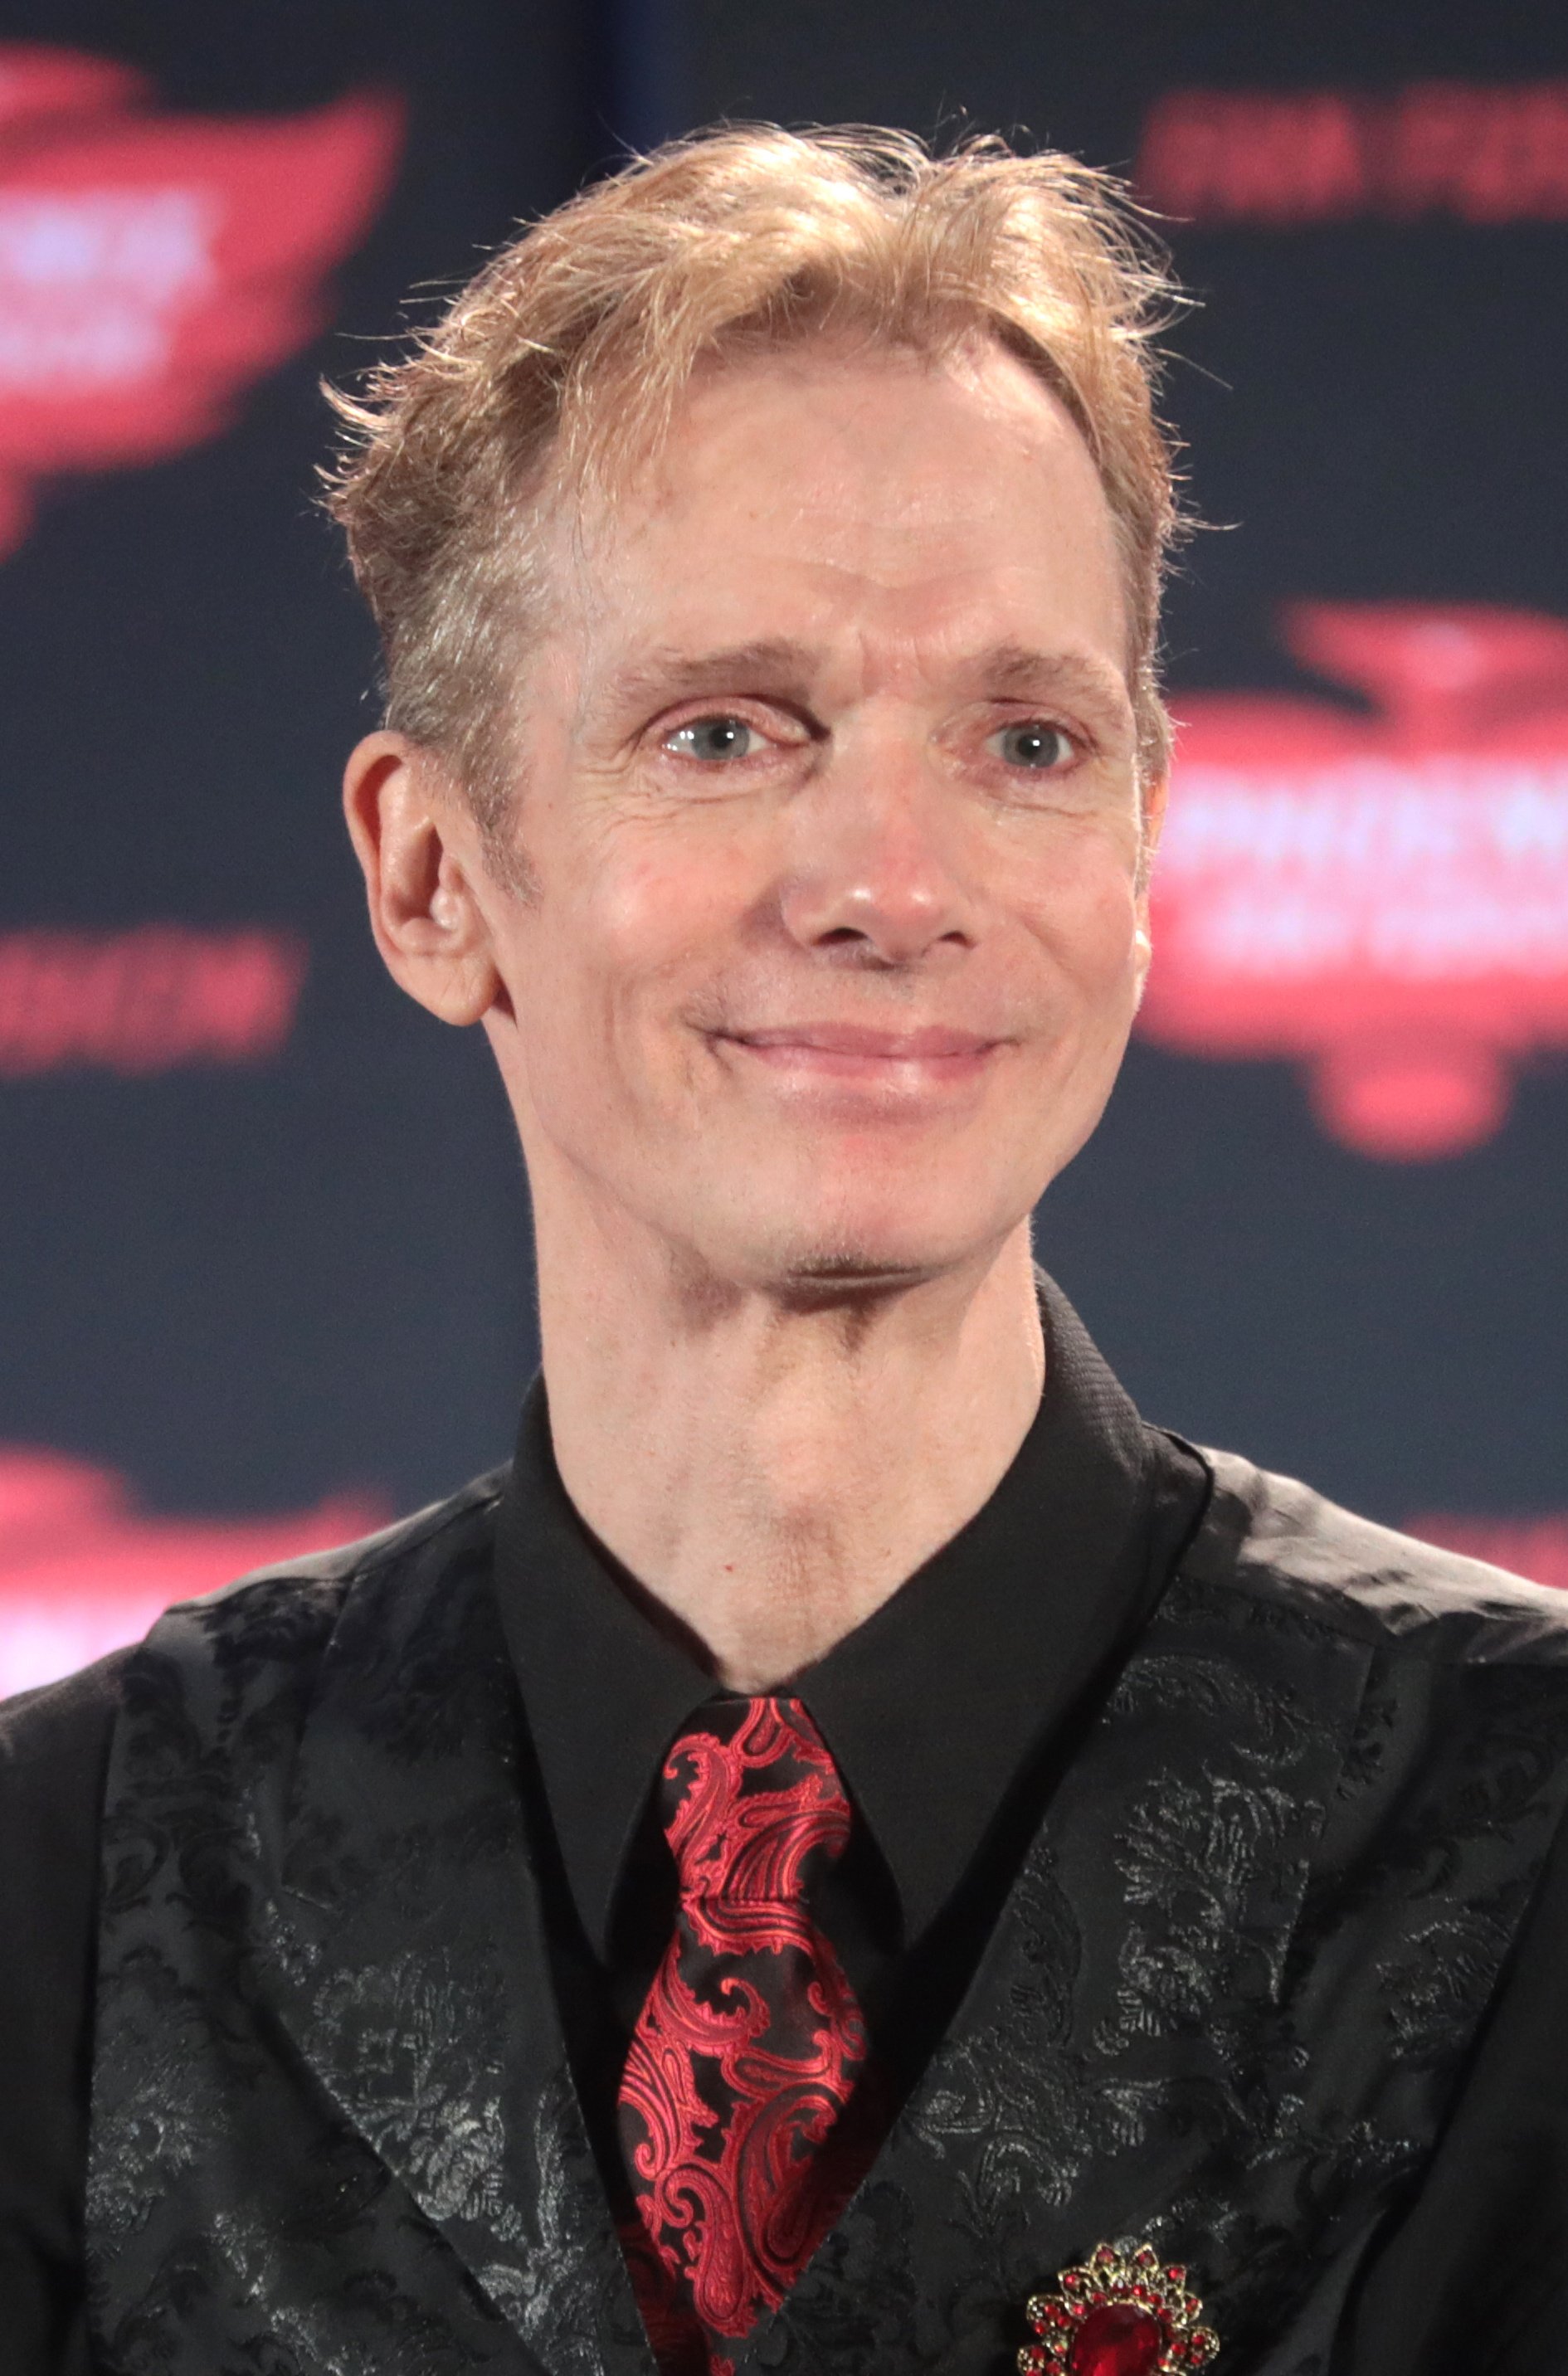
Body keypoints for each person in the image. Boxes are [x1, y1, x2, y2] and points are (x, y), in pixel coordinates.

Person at [2, 125, 1566, 2376]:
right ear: (434, 875)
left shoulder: (1523, 1833)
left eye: (1026, 740)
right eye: (726, 731)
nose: (891, 883)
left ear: (1137, 847)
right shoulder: (72, 1880)